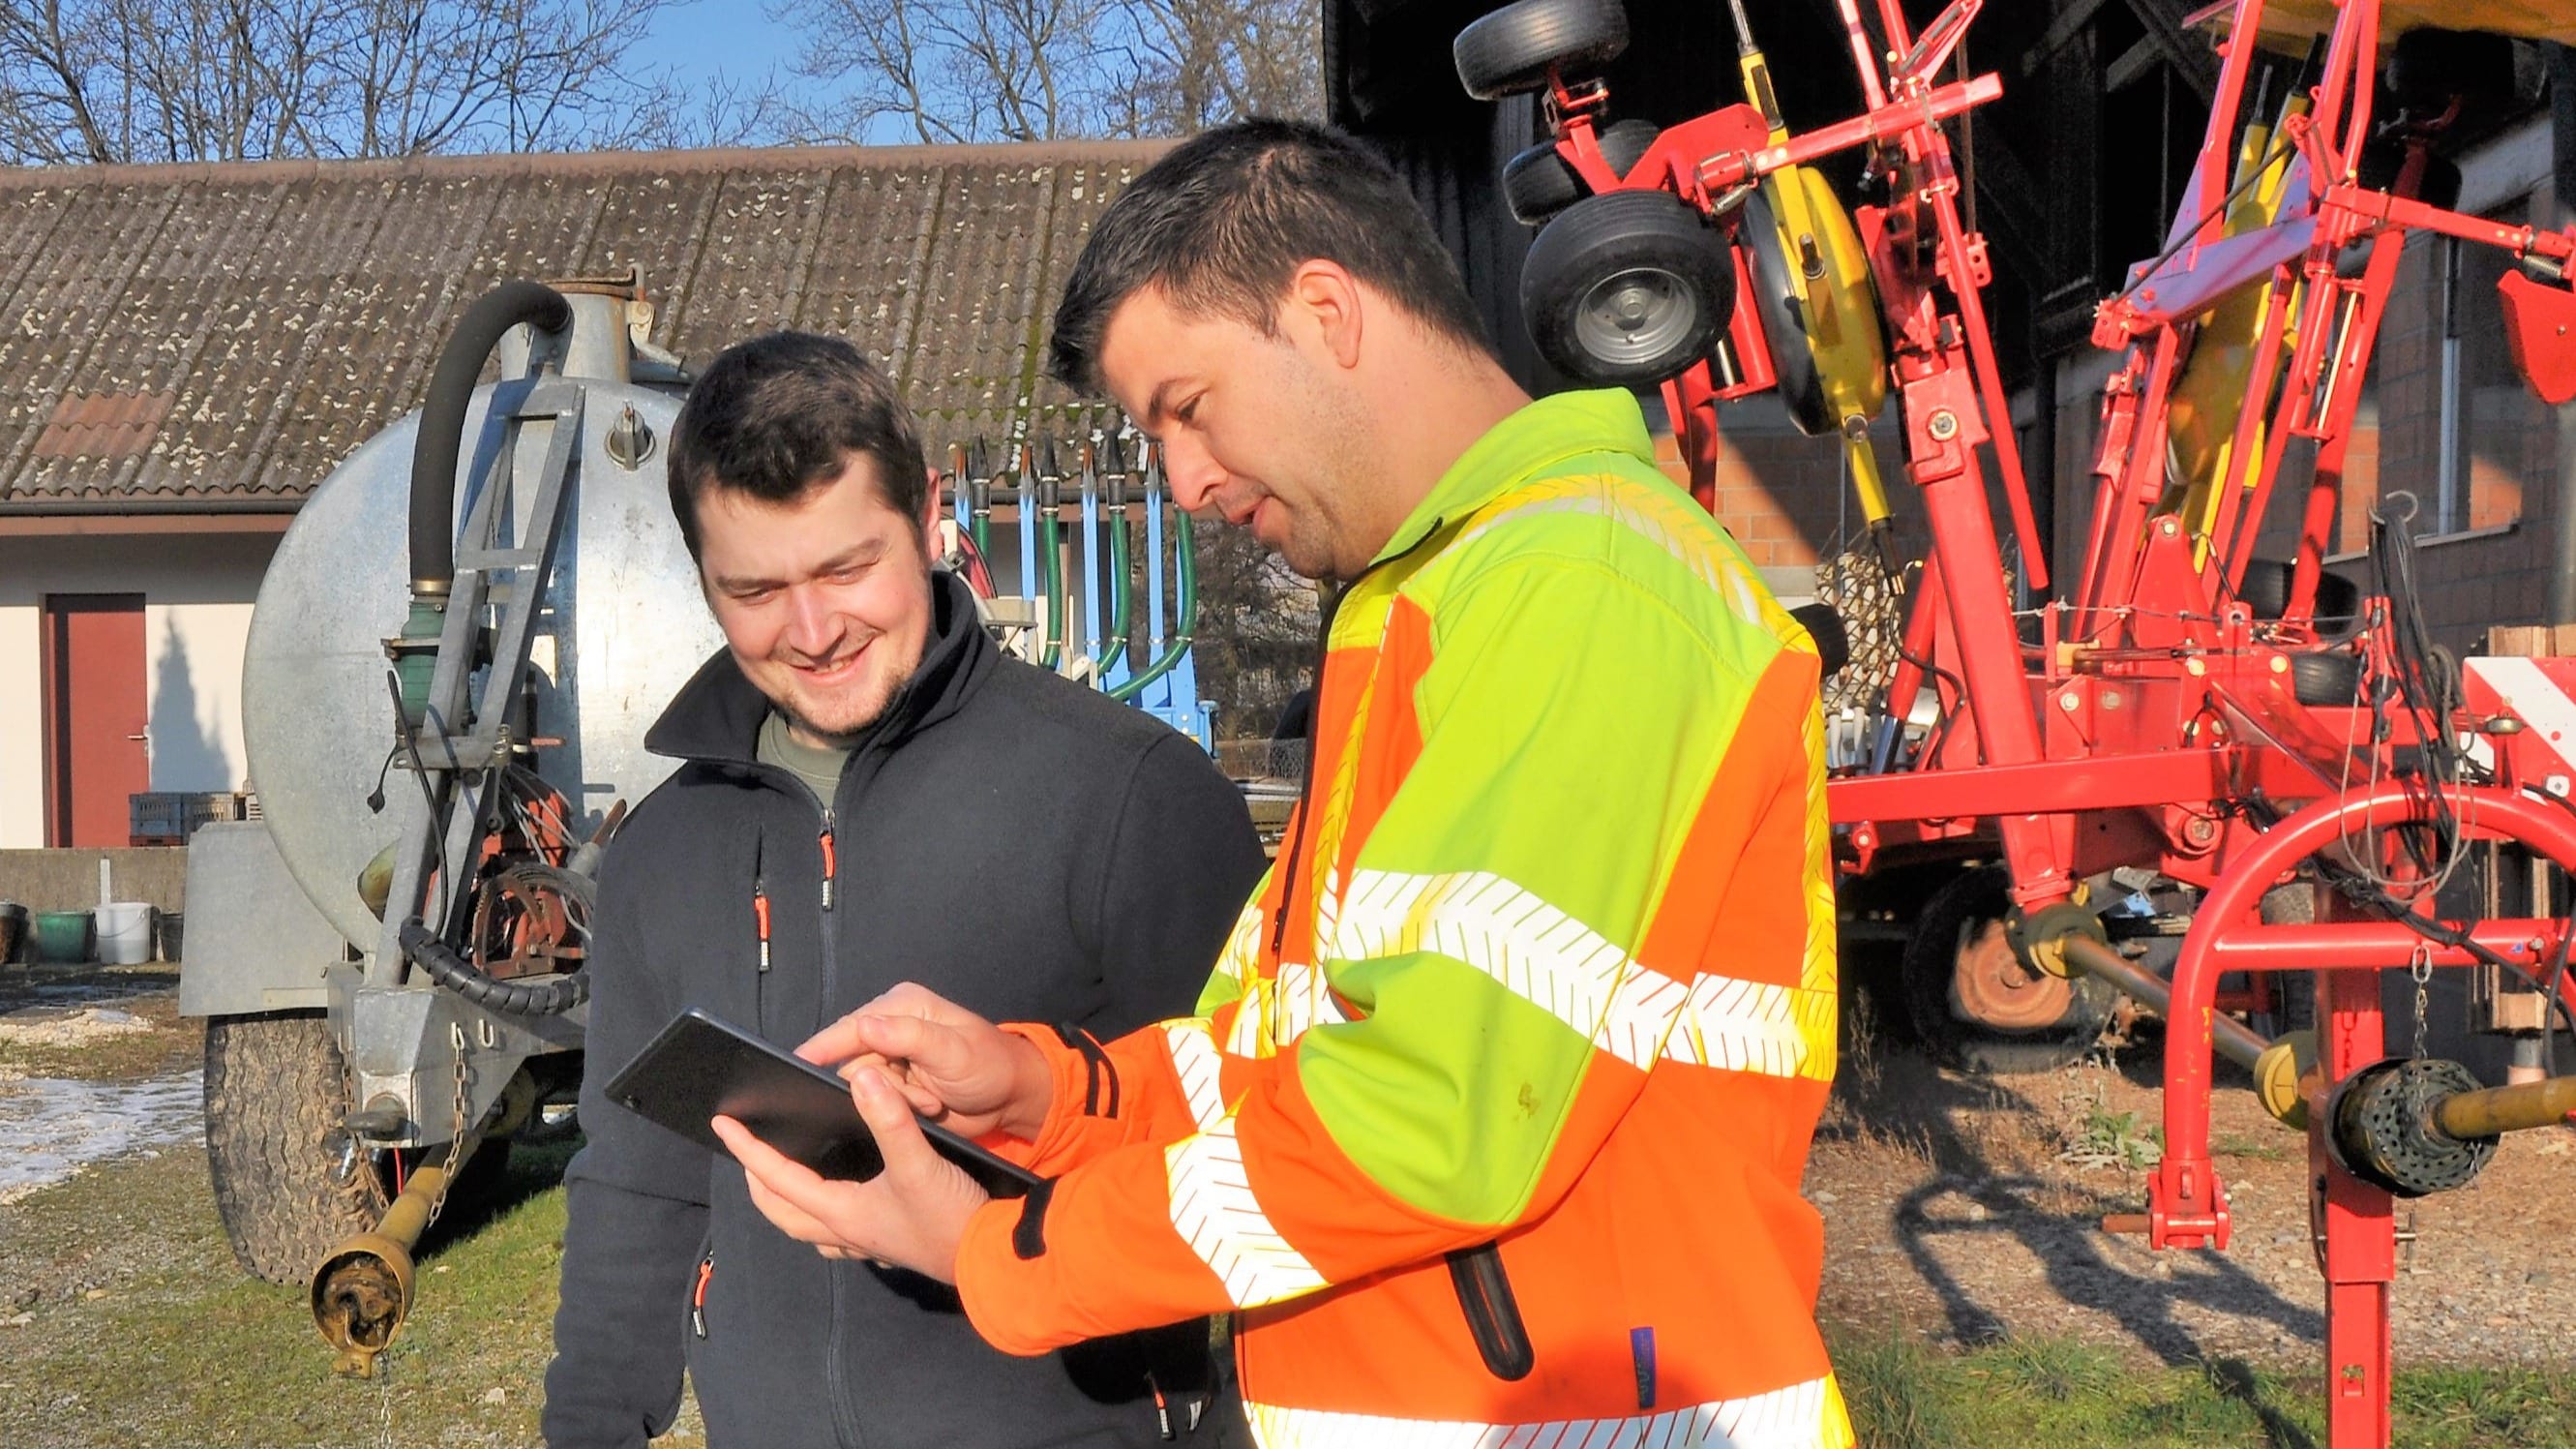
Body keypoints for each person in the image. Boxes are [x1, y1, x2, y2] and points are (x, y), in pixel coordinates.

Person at [715, 122, 1855, 1447]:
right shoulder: (1437, 604)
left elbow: (1436, 1109)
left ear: (1325, 310)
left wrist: (1005, 1249)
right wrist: (1041, 1095)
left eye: (1187, 410)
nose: (1188, 483)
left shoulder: (1579, 586)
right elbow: (1285, 1059)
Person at [542, 331, 1267, 1447]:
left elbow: (1264, 1158)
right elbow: (639, 1184)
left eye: (846, 568)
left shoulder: (1133, 799)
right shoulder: (660, 851)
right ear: (700, 575)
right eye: (756, 589)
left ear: (930, 517)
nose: (815, 631)